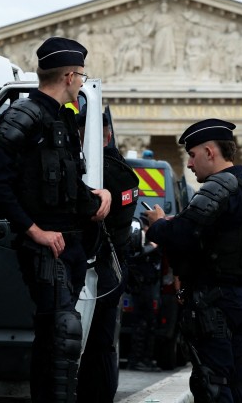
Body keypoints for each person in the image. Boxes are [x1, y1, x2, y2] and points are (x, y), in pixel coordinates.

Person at [0, 37, 112, 403]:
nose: (83, 83)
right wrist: (34, 230)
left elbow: (64, 188)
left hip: (71, 245)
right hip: (44, 247)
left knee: (59, 341)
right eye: (81, 77)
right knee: (62, 333)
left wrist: (99, 198)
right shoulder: (24, 116)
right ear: (69, 76)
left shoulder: (63, 120)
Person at [144, 119, 242, 403]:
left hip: (214, 302)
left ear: (210, 152)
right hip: (241, 298)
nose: (189, 163)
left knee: (211, 383)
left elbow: (182, 234)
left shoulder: (219, 188)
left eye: (193, 154)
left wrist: (158, 224)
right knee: (236, 382)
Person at [77, 109, 140, 403]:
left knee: (94, 342)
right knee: (101, 343)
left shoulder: (105, 171)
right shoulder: (120, 168)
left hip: (99, 265)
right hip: (110, 267)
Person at [124, 214, 165, 372]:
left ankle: (146, 358)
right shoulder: (138, 244)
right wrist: (151, 246)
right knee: (140, 324)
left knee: (150, 324)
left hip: (149, 288)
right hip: (140, 289)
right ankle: (136, 359)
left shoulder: (151, 243)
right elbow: (136, 256)